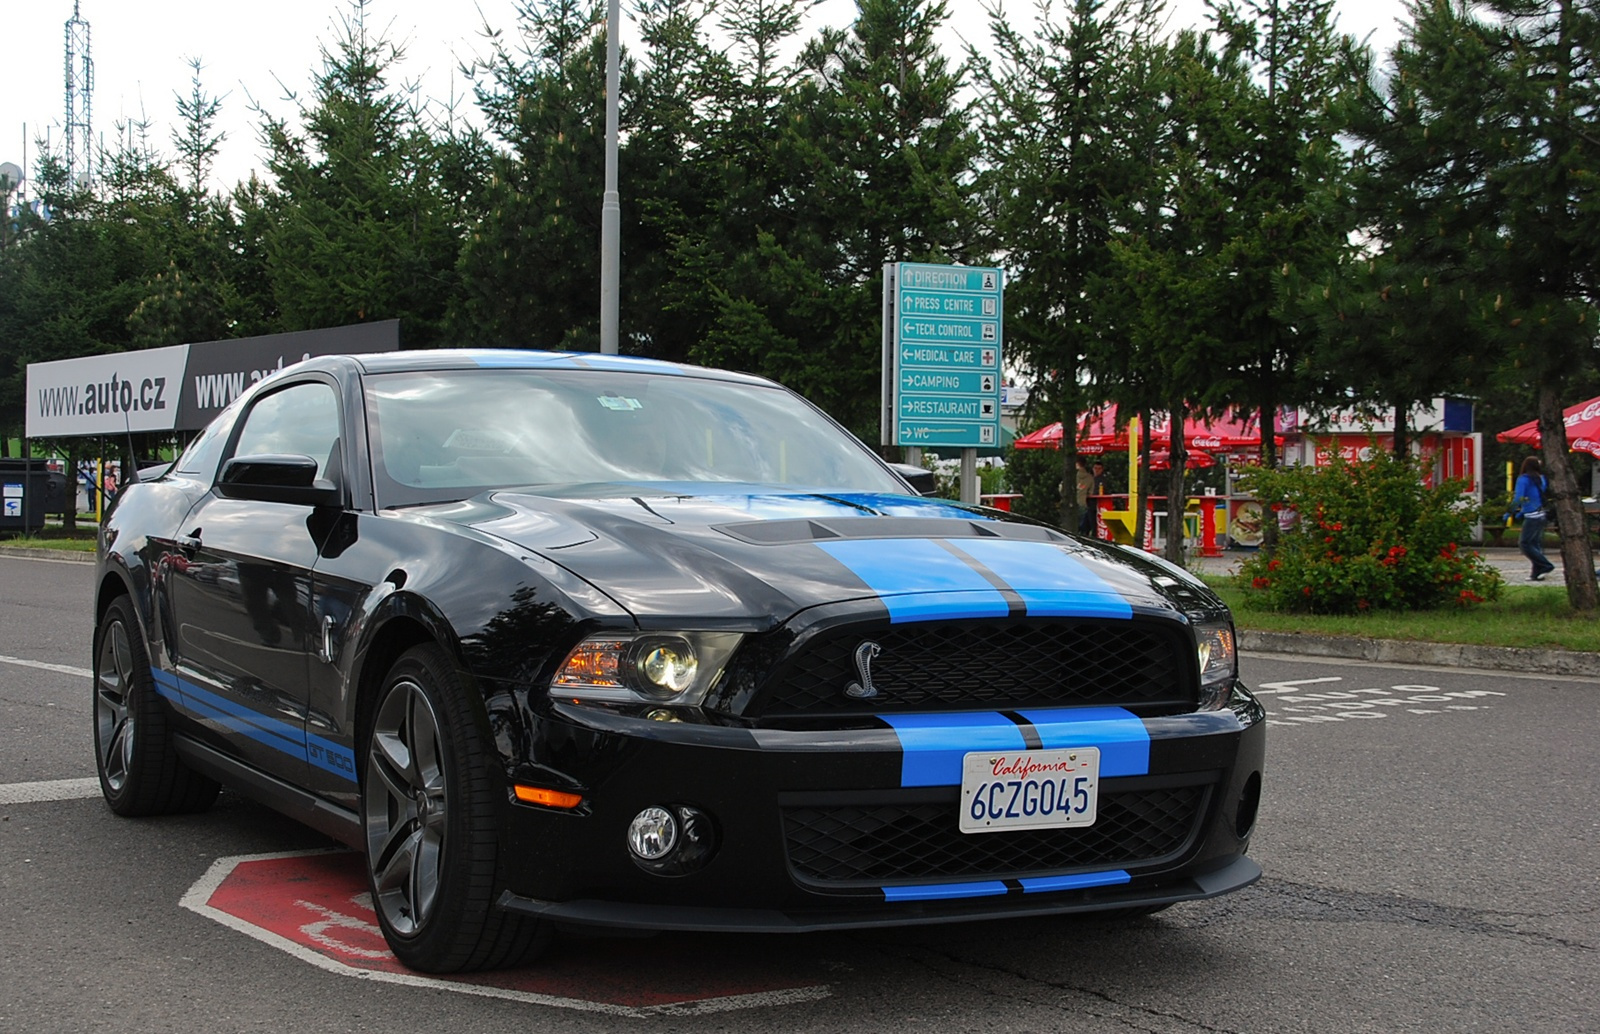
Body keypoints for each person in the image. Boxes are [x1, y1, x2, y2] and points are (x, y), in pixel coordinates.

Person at [1510, 455, 1555, 580]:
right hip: (1541, 513)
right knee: (1535, 544)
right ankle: (1536, 573)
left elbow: (1519, 497)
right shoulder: (1541, 479)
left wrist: (1510, 511)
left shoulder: (1523, 479)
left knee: (1524, 543)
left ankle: (1545, 565)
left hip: (1532, 515)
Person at [1079, 460, 1109, 536]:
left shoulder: (1103, 480)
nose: (1097, 470)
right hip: (1088, 505)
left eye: (1099, 468)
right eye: (1095, 468)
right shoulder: (1090, 478)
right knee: (1084, 526)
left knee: (1093, 526)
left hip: (1096, 506)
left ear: (1102, 470)